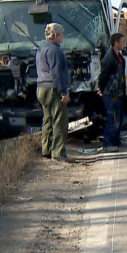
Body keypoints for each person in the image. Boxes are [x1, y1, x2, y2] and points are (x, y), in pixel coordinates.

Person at [35, 23, 73, 162]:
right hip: (53, 88)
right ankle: (58, 152)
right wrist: (63, 92)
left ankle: (46, 149)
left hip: (41, 88)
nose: (63, 37)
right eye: (62, 34)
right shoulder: (55, 51)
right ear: (56, 35)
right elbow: (56, 73)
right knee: (59, 120)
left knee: (47, 120)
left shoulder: (41, 48)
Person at [98, 33, 126, 152]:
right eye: (121, 42)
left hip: (118, 93)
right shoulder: (109, 58)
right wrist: (101, 88)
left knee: (118, 119)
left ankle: (115, 140)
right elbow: (103, 75)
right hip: (111, 93)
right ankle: (108, 143)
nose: (123, 44)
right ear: (115, 43)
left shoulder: (119, 57)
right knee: (111, 119)